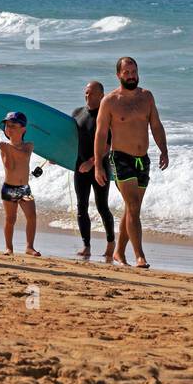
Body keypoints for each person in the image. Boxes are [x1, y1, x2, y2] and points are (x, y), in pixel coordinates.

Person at [94, 57, 168, 268]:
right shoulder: (110, 101)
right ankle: (140, 256)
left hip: (142, 160)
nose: (131, 75)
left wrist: (164, 150)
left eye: (133, 71)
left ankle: (118, 252)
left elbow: (156, 125)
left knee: (131, 208)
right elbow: (100, 135)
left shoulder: (146, 97)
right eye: (126, 72)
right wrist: (98, 164)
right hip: (120, 158)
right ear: (118, 75)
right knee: (134, 207)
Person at [73, 80, 115, 261]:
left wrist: (93, 163)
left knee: (102, 206)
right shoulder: (77, 113)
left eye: (91, 93)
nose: (87, 95)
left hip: (100, 167)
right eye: (86, 92)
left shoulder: (105, 116)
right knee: (81, 206)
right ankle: (86, 246)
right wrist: (56, 155)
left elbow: (108, 145)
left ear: (101, 95)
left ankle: (111, 243)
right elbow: (69, 139)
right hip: (79, 166)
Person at [0, 111, 39, 256]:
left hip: (24, 189)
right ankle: (9, 247)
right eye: (7, 126)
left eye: (13, 125)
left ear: (23, 129)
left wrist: (10, 149)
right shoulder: (4, 148)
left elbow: (24, 155)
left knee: (32, 216)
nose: (9, 128)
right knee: (10, 219)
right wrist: (7, 151)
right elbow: (9, 166)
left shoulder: (28, 145)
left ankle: (29, 247)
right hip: (9, 188)